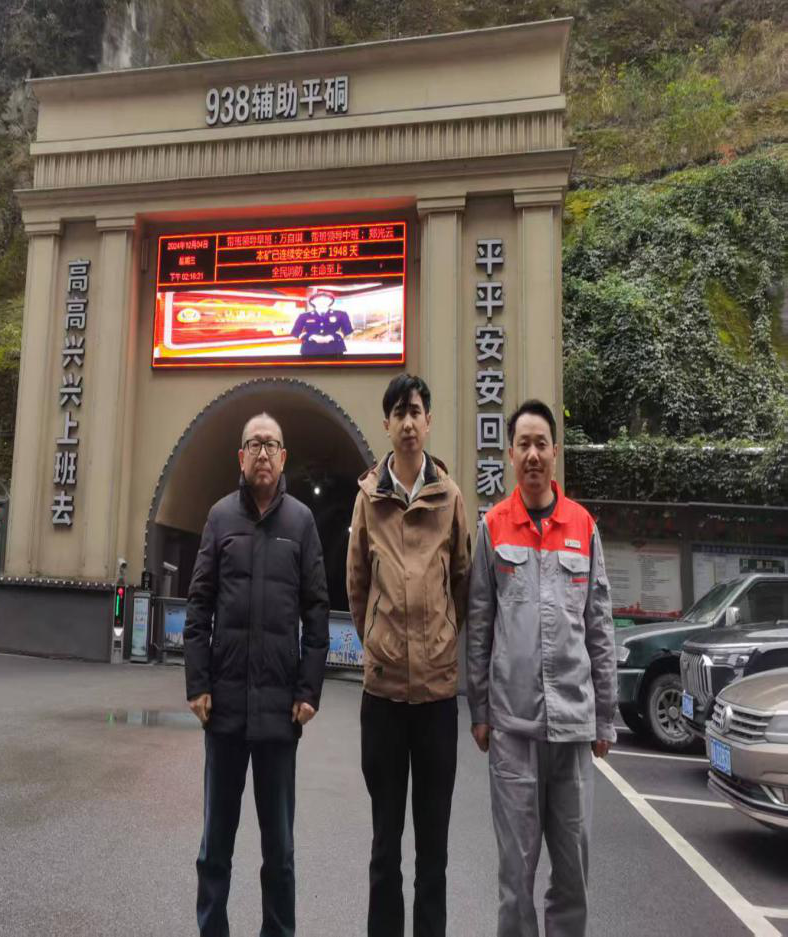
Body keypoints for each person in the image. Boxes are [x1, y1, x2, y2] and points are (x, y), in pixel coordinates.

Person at [467, 399, 617, 937]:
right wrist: (479, 709)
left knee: (573, 875)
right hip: (513, 729)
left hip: (573, 727)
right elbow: (479, 624)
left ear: (555, 451)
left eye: (541, 444)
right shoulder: (493, 527)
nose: (532, 454)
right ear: (510, 454)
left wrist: (605, 717)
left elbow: (599, 625)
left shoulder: (582, 525)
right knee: (515, 877)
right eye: (522, 444)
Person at [184, 412, 330, 937]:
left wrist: (308, 690)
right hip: (223, 708)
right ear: (240, 457)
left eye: (272, 444)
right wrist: (197, 684)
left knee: (280, 850)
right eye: (254, 444)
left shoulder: (301, 522)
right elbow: (199, 605)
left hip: (278, 713)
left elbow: (317, 611)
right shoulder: (220, 517)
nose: (263, 452)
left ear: (284, 457)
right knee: (214, 845)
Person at [346, 373, 472, 937]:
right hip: (384, 699)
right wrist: (379, 640)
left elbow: (462, 582)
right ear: (386, 424)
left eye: (416, 411)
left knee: (433, 850)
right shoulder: (368, 499)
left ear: (429, 420)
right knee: (384, 846)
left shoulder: (450, 498)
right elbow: (356, 584)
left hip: (437, 700)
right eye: (398, 413)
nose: (408, 422)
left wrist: (439, 640)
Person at [290, 290, 353, 357]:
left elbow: (348, 329)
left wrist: (332, 337)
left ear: (331, 301)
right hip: (310, 350)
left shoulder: (341, 314)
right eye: (318, 299)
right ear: (312, 301)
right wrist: (311, 337)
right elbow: (295, 332)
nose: (322, 301)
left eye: (326, 299)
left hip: (335, 349)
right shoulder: (304, 316)